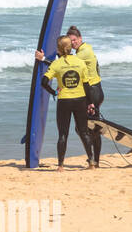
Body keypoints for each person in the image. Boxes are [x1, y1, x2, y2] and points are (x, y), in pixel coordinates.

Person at [36, 26, 102, 163]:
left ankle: (95, 160)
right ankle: (94, 159)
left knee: (88, 130)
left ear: (80, 38)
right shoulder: (84, 48)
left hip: (93, 91)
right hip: (93, 90)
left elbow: (66, 64)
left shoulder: (83, 52)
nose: (72, 43)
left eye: (74, 40)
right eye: (70, 41)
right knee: (87, 129)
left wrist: (43, 59)